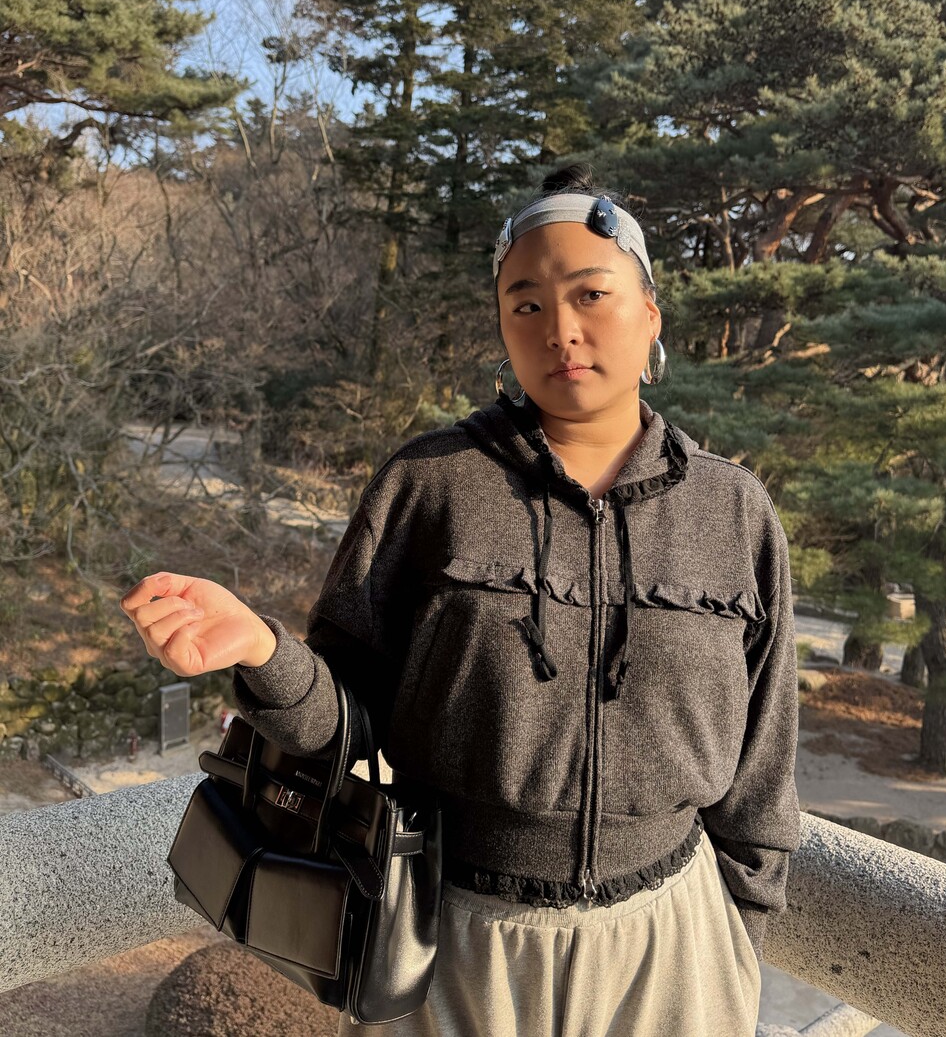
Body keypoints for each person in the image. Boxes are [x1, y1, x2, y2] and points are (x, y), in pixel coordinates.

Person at [120, 163, 801, 1037]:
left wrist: (736, 943)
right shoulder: (431, 484)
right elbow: (346, 720)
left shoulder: (735, 512)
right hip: (456, 936)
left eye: (591, 294)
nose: (560, 328)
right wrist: (261, 649)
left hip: (673, 944)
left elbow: (762, 767)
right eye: (526, 303)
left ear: (650, 313)